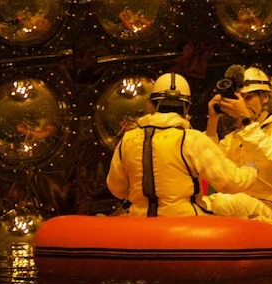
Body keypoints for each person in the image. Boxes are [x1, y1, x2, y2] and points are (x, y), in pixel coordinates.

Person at [106, 72, 259, 217]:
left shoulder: (127, 139)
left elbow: (116, 188)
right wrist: (251, 168)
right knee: (249, 205)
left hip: (139, 220)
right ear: (187, 107)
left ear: (150, 105)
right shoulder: (191, 139)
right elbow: (231, 183)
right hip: (186, 223)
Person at [204, 65, 272, 221]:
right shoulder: (239, 134)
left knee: (221, 202)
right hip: (245, 204)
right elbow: (212, 165)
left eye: (248, 97)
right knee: (205, 201)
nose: (243, 104)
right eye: (239, 98)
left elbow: (269, 157)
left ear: (265, 97)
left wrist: (245, 119)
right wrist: (213, 121)